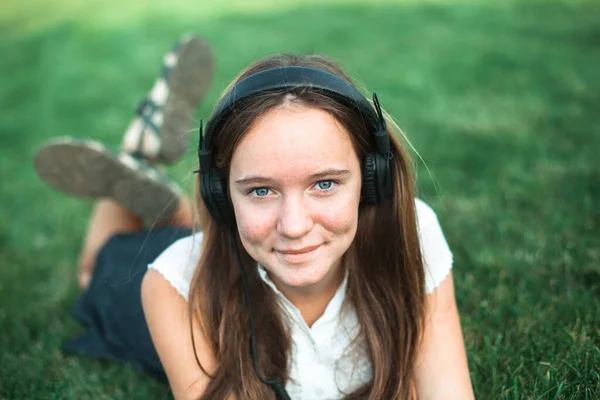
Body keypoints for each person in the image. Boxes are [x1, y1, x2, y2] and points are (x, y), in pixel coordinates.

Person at [35, 37, 474, 399]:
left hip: (217, 241)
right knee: (94, 271)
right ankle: (136, 159)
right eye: (261, 190)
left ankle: (147, 168)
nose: (295, 225)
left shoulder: (414, 233)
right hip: (138, 289)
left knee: (175, 233)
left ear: (371, 179)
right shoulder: (173, 285)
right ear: (220, 195)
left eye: (324, 184)